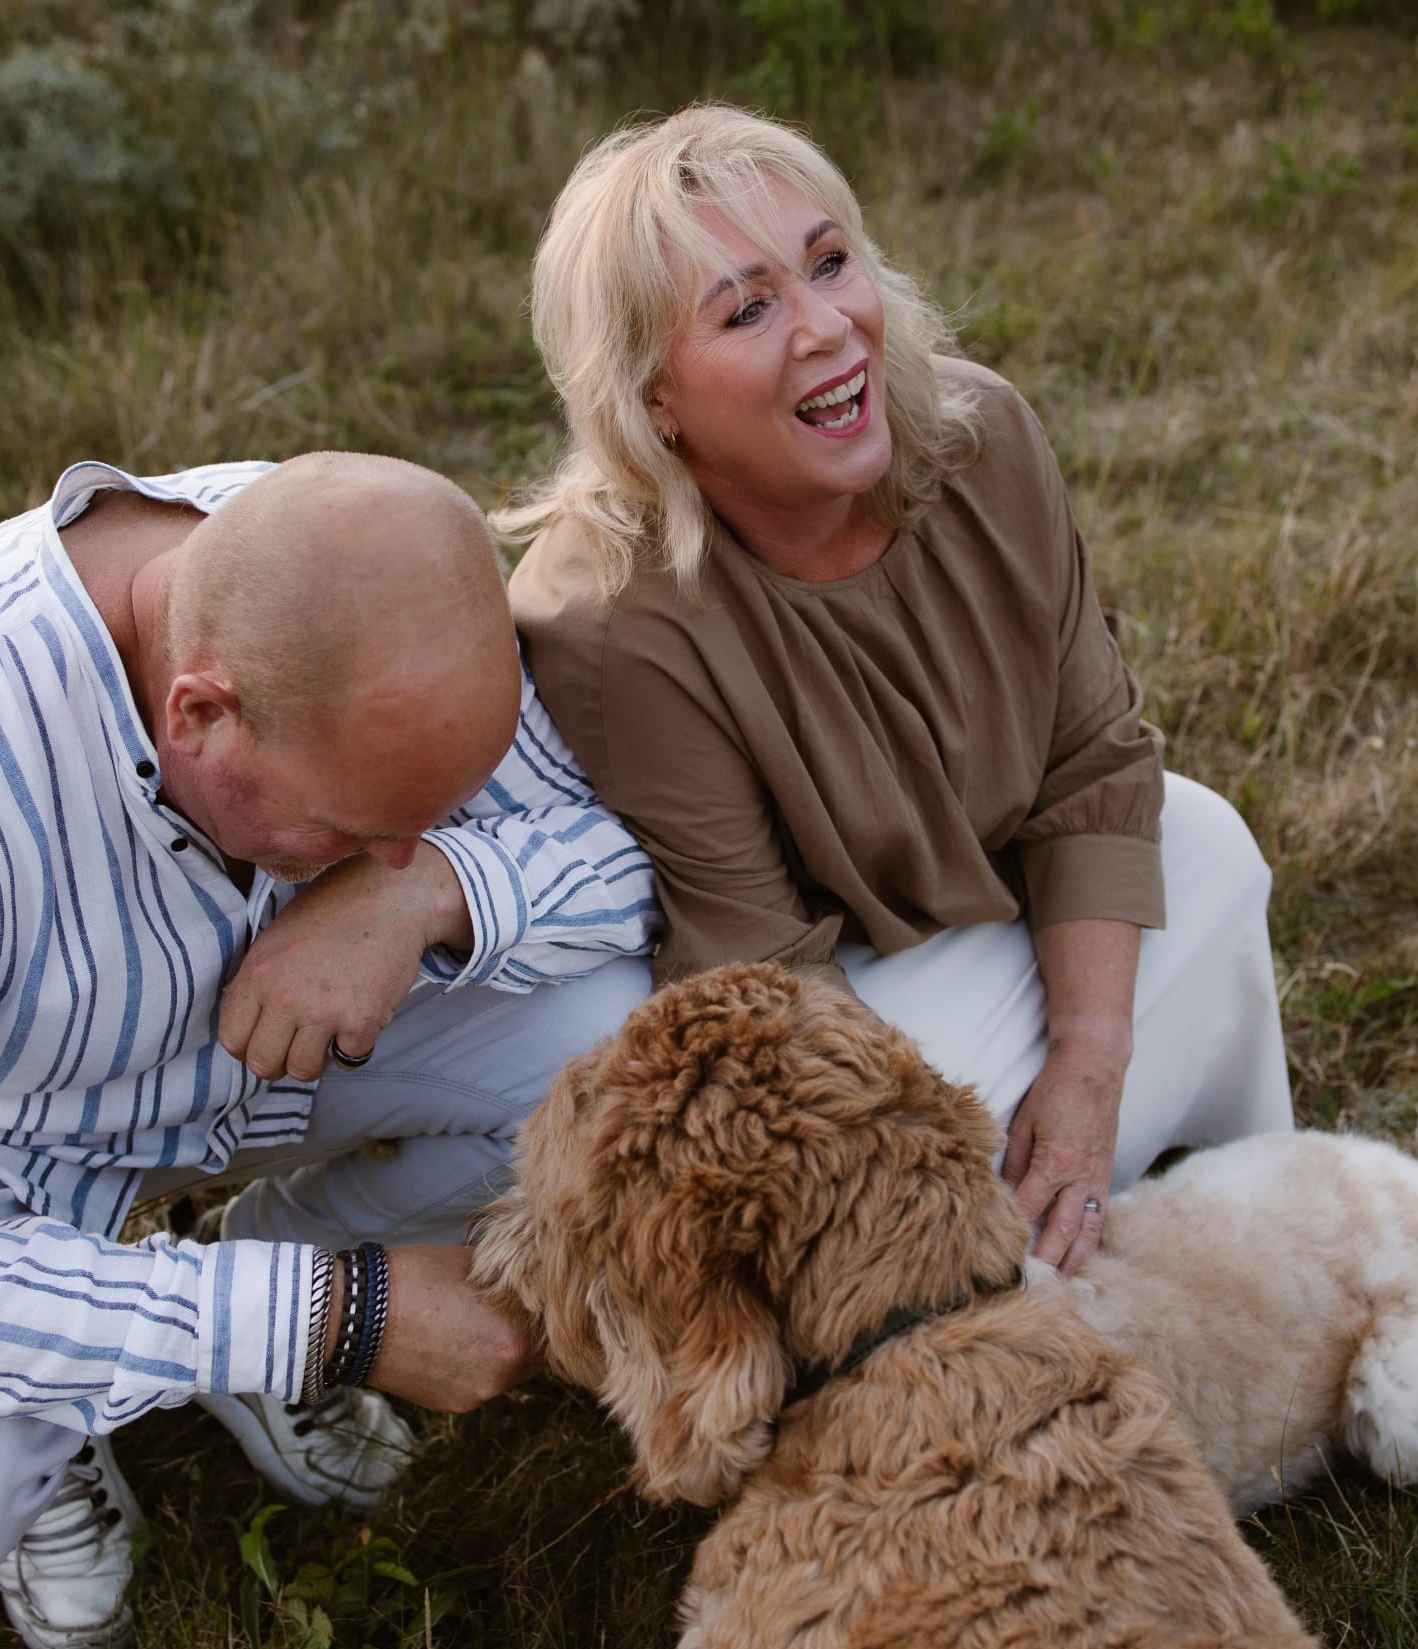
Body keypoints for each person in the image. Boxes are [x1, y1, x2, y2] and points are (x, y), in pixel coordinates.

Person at [0, 451, 656, 1649]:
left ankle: (262, 1263)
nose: (382, 854)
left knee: (612, 1051)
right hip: (1, 1157)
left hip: (270, 1064)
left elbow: (644, 853)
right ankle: (75, 1414)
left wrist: (429, 890)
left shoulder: (373, 579)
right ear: (199, 713)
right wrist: (339, 1318)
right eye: (352, 831)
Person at [501, 106, 1294, 1280]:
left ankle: (1223, 1183)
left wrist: (1087, 1065)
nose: (827, 328)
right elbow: (762, 980)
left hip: (986, 915)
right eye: (749, 307)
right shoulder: (617, 620)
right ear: (651, 397)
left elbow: (1092, 762)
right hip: (815, 999)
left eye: (830, 263)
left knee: (1207, 844)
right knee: (937, 1193)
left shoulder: (983, 437)